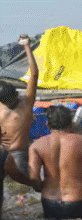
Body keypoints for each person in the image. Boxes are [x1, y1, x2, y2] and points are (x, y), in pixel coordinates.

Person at [28, 106, 82, 220]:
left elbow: (34, 177)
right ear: (71, 123)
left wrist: (40, 188)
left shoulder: (36, 145)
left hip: (48, 203)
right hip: (76, 202)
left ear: (48, 124)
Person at [0, 35, 37, 176]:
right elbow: (34, 74)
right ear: (16, 95)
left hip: (2, 153)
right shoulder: (26, 104)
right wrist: (27, 46)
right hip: (18, 155)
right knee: (21, 191)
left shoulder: (0, 106)